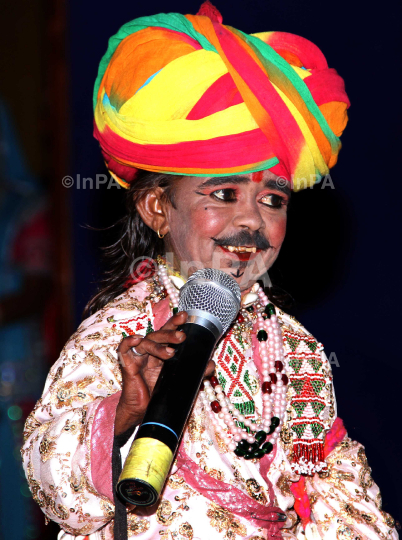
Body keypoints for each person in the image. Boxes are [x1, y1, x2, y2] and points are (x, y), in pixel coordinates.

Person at [22, 3, 398, 540]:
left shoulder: (296, 349)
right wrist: (123, 413)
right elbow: (54, 488)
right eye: (224, 194)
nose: (251, 220)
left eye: (273, 199)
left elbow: (332, 485)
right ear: (156, 209)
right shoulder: (122, 335)